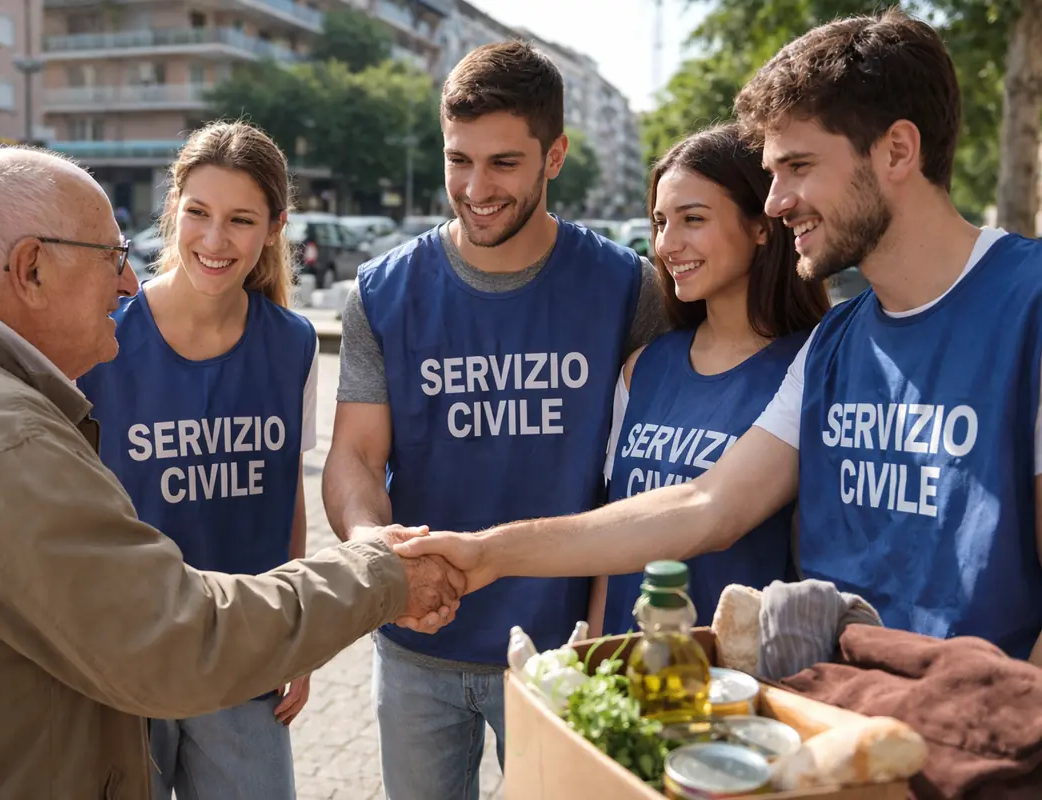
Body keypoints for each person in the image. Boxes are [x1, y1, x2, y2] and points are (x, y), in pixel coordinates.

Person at [396, 11, 1042, 666]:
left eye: (797, 166)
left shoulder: (1028, 307)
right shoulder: (833, 344)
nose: (776, 200)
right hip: (839, 729)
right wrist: (487, 554)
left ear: (898, 151)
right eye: (772, 171)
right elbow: (706, 506)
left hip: (983, 746)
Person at [0, 144, 464, 799]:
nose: (128, 283)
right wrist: (381, 575)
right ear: (31, 267)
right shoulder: (5, 438)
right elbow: (174, 640)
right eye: (111, 259)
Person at [322, 40, 665, 799]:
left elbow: (640, 484)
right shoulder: (383, 291)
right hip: (417, 643)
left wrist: (605, 636)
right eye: (458, 160)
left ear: (556, 155)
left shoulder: (626, 290)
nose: (474, 188)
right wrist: (376, 551)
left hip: (565, 647)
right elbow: (352, 456)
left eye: (503, 163)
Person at [78, 121, 318, 800]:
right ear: (173, 208)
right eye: (199, 214)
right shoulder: (102, 340)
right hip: (127, 657)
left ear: (274, 227)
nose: (215, 241)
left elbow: (287, 499)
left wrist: (298, 636)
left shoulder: (294, 344)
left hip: (243, 653)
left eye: (241, 220)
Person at [597, 124, 829, 634]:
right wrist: (591, 659)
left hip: (734, 689)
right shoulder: (642, 369)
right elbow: (609, 543)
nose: (666, 244)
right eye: (659, 222)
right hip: (624, 680)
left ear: (762, 226)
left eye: (693, 220)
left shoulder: (815, 368)